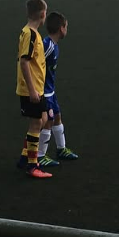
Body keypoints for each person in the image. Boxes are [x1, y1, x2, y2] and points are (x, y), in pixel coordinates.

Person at [36, 11, 79, 167]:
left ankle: (61, 149)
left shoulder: (54, 46)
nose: (67, 29)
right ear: (61, 28)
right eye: (66, 26)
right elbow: (35, 61)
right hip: (44, 92)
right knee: (48, 122)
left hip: (50, 91)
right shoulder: (47, 46)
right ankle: (40, 155)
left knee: (58, 117)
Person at [16, 0, 51, 179]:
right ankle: (32, 164)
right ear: (43, 14)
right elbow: (24, 62)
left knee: (42, 118)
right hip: (32, 89)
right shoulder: (30, 34)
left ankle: (24, 157)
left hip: (38, 87)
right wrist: (31, 90)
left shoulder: (31, 33)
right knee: (36, 123)